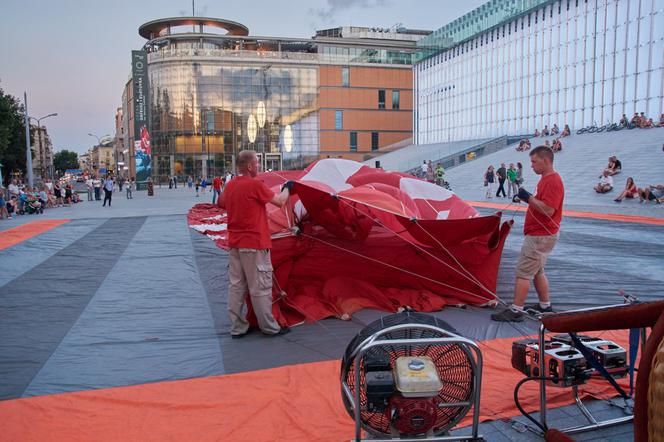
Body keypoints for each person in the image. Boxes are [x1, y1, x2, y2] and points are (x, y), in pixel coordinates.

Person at [219, 150, 292, 338]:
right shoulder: (255, 185)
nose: (259, 166)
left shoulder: (231, 185)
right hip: (255, 244)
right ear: (250, 166)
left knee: (236, 286)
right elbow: (280, 202)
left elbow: (221, 203)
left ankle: (237, 327)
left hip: (234, 243)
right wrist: (288, 188)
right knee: (259, 287)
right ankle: (269, 327)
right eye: (257, 163)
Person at [492, 145, 564, 322]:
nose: (531, 166)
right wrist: (528, 198)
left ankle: (516, 310)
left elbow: (548, 210)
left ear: (545, 161)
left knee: (523, 272)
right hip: (542, 233)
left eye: (534, 162)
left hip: (540, 235)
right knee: (538, 270)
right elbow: (541, 203)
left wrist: (529, 198)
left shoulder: (553, 181)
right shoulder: (546, 179)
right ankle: (545, 305)